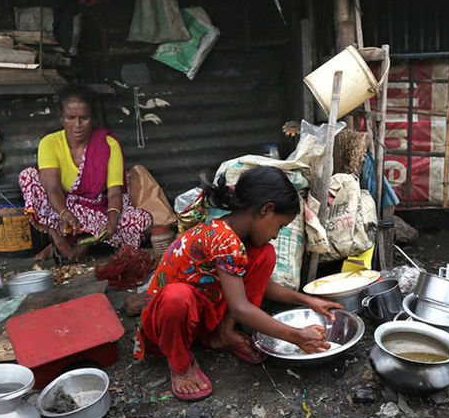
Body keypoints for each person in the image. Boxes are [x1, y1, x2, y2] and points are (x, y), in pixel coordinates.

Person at [134, 166, 343, 401]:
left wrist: (307, 300)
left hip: (201, 314)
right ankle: (180, 364)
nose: (276, 235)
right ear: (266, 210)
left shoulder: (235, 238)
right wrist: (296, 336)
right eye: (279, 226)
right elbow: (239, 307)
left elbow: (263, 286)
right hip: (167, 324)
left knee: (265, 254)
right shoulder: (223, 239)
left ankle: (222, 334)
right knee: (177, 297)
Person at [19, 85, 152, 262]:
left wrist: (111, 223)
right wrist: (65, 213)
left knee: (141, 219)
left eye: (84, 118)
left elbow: (114, 193)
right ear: (61, 117)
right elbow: (52, 190)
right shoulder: (49, 143)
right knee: (28, 176)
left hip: (98, 210)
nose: (77, 125)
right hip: (63, 211)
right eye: (70, 118)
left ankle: (87, 242)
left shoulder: (108, 145)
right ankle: (58, 241)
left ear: (93, 118)